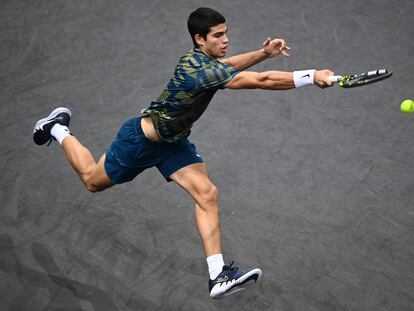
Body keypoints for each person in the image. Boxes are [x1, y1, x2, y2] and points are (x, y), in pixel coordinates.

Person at [33, 7, 334, 299]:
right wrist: (310, 76)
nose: (225, 40)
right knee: (91, 180)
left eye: (226, 33)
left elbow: (228, 66)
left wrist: (263, 53)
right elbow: (261, 80)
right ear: (200, 39)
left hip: (173, 143)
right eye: (218, 36)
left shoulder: (205, 63)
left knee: (207, 194)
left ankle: (217, 275)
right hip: (139, 142)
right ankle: (57, 128)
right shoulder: (196, 72)